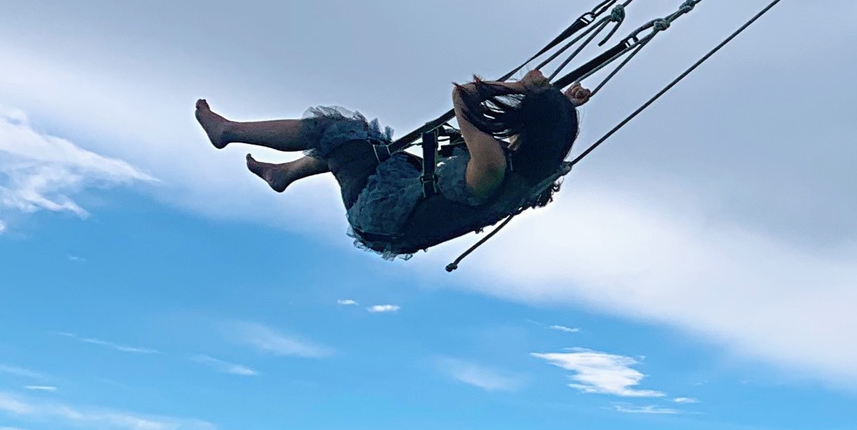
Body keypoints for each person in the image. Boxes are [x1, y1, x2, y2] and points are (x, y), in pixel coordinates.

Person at [194, 70, 590, 259]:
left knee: (338, 129)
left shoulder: (491, 165)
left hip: (379, 211)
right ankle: (283, 173)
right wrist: (560, 103)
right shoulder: (537, 169)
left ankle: (227, 131)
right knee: (369, 146)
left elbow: (465, 96)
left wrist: (522, 88)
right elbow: (544, 131)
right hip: (405, 209)